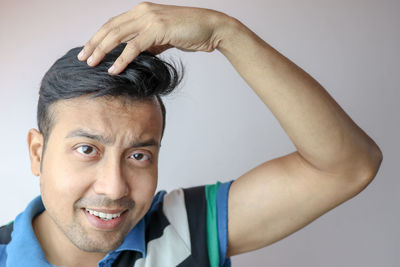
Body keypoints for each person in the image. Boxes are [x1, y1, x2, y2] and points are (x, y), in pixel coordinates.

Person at [0, 2, 383, 267]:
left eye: (138, 156)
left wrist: (224, 32)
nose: (115, 188)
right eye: (87, 149)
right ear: (37, 152)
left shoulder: (184, 226)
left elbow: (348, 167)